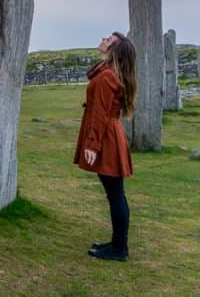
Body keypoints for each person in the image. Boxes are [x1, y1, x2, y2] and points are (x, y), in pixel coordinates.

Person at [74, 31, 137, 261]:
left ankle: (119, 248)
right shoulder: (108, 73)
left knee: (115, 194)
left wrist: (92, 145)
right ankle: (117, 243)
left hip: (107, 138)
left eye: (109, 40)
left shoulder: (107, 77)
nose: (103, 39)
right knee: (114, 194)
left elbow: (100, 114)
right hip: (110, 134)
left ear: (114, 51)